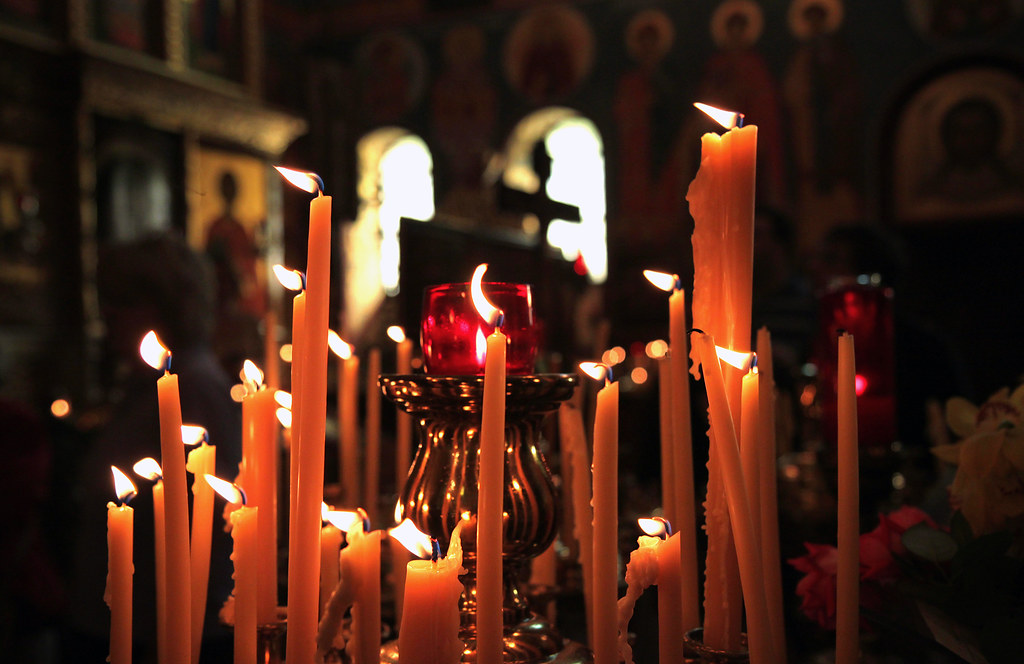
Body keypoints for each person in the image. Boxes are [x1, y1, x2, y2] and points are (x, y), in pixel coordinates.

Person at [62, 232, 241, 664]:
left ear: (172, 305)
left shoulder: (192, 392)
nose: (110, 314)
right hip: (120, 625)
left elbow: (200, 537)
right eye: (108, 298)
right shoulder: (147, 387)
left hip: (162, 637)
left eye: (127, 299)